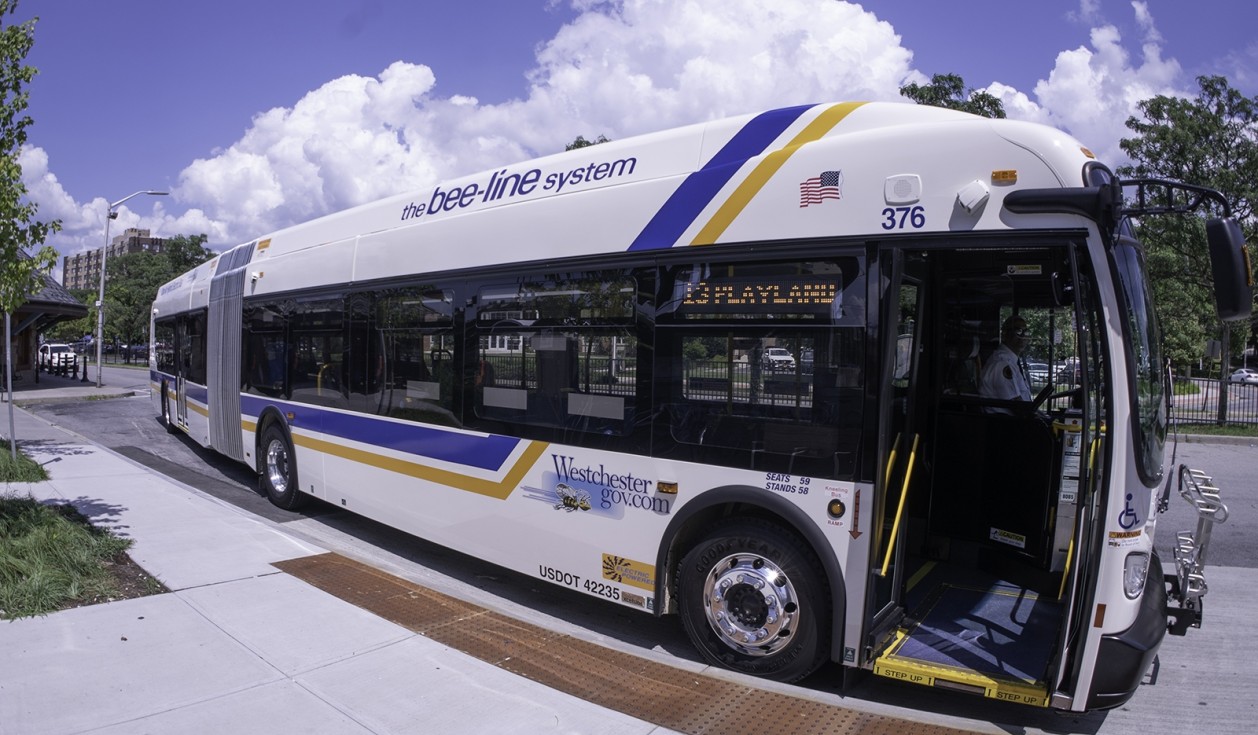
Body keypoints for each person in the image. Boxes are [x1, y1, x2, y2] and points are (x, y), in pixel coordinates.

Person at [980, 315, 1032, 405]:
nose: (1023, 336)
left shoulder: (1011, 361)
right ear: (1005, 334)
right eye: (1018, 331)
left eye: (1026, 332)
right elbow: (1016, 406)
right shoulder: (1001, 363)